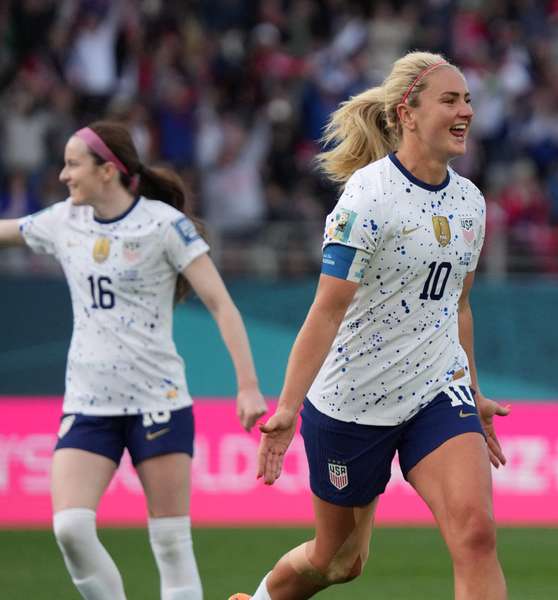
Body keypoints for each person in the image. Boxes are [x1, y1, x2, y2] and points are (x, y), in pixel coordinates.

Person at [230, 51, 510, 600]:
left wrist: (472, 388)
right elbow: (327, 310)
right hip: (354, 403)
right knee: (337, 562)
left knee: (476, 535)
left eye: (469, 100)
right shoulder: (368, 197)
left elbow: (459, 306)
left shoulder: (471, 202)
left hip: (437, 391)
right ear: (408, 113)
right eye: (450, 100)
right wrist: (287, 407)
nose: (466, 112)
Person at [0, 121, 268, 600]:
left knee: (170, 546)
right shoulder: (64, 221)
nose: (63, 175)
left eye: (73, 164)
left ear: (108, 170)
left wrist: (247, 386)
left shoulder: (164, 226)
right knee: (70, 529)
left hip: (157, 403)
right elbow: (7, 232)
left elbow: (222, 305)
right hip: (88, 405)